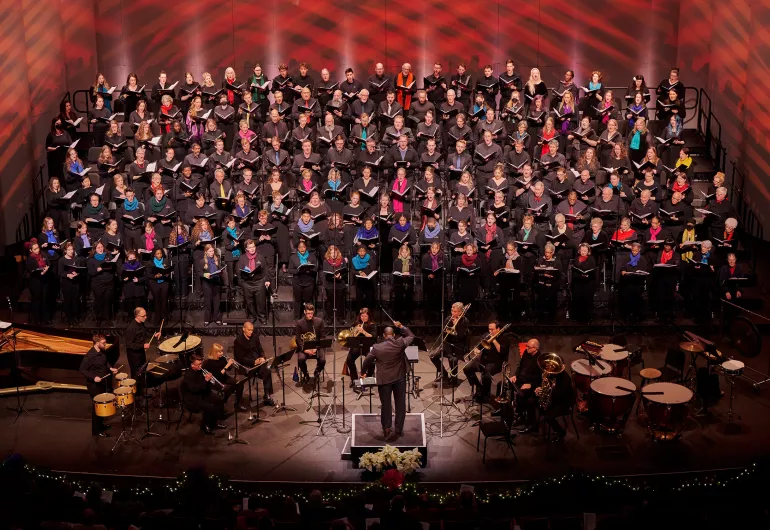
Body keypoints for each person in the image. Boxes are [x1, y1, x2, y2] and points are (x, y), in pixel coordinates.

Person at [361, 320, 415, 439]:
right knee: (400, 404)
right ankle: (399, 430)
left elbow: (367, 361)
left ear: (384, 336)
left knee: (386, 404)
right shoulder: (400, 343)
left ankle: (386, 429)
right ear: (393, 335)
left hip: (384, 380)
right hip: (399, 378)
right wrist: (401, 326)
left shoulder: (376, 347)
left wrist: (363, 373)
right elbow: (411, 336)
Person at [79, 334, 117, 437]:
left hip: (102, 383)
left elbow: (106, 362)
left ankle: (101, 425)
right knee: (97, 408)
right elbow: (82, 369)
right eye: (104, 343)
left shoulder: (102, 351)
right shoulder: (90, 356)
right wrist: (93, 377)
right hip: (93, 385)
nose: (105, 345)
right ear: (97, 343)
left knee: (101, 405)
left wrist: (110, 368)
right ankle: (96, 431)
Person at [463, 321, 509, 402]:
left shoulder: (504, 338)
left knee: (485, 375)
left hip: (496, 362)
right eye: (489, 329)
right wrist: (476, 350)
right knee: (467, 368)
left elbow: (502, 351)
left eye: (492, 329)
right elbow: (478, 346)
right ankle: (479, 387)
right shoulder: (486, 335)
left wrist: (494, 340)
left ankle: (485, 395)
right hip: (483, 359)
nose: (490, 331)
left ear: (498, 329)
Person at [181, 354, 226, 435]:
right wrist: (206, 380)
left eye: (201, 364)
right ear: (192, 364)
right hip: (194, 399)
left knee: (219, 399)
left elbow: (204, 386)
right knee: (210, 407)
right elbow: (195, 389)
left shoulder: (200, 370)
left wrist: (210, 380)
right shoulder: (188, 375)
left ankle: (215, 421)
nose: (200, 366)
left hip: (203, 393)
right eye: (198, 364)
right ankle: (205, 427)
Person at [233, 321, 274, 406]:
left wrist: (263, 357)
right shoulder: (238, 341)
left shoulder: (255, 337)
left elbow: (260, 349)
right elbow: (240, 358)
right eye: (249, 330)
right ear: (243, 329)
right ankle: (238, 402)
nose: (251, 332)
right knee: (240, 380)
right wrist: (253, 362)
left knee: (267, 371)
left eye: (252, 330)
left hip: (257, 363)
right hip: (246, 366)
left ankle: (267, 395)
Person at [508, 338, 543, 433]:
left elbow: (541, 377)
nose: (526, 348)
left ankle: (521, 416)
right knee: (507, 384)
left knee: (522, 394)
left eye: (528, 347)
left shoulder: (540, 359)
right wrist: (515, 375)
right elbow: (520, 366)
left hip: (532, 383)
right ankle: (511, 412)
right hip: (522, 379)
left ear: (535, 349)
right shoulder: (526, 353)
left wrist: (530, 385)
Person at [430, 302, 469, 383]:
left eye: (455, 311)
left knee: (453, 359)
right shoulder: (448, 319)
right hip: (448, 345)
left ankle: (453, 378)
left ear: (460, 312)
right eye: (452, 311)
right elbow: (443, 334)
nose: (452, 313)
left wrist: (456, 325)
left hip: (458, 346)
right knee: (433, 356)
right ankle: (444, 374)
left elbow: (460, 336)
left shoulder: (464, 321)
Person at [124, 307, 160, 393]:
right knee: (136, 374)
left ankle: (142, 390)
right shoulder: (131, 328)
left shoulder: (141, 323)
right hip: (134, 355)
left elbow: (144, 332)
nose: (146, 317)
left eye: (145, 315)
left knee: (143, 371)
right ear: (137, 316)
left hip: (140, 352)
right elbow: (129, 344)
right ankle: (137, 394)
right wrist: (142, 345)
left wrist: (154, 335)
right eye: (144, 316)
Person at [203, 343, 247, 411]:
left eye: (222, 351)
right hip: (216, 381)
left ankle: (237, 404)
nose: (221, 353)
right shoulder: (210, 362)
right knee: (229, 388)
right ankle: (224, 399)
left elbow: (228, 369)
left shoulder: (222, 358)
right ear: (214, 352)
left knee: (239, 383)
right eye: (219, 352)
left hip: (224, 377)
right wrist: (227, 366)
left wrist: (230, 364)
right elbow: (218, 375)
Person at [537, 367, 575, 443]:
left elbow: (559, 394)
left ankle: (560, 432)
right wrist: (539, 388)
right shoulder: (552, 375)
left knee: (548, 416)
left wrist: (546, 391)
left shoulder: (564, 378)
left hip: (564, 403)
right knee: (539, 406)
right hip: (556, 400)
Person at [294, 303, 326, 383]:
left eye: (311, 313)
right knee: (301, 359)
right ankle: (305, 373)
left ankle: (317, 371)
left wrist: (316, 348)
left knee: (323, 360)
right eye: (308, 313)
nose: (310, 315)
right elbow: (298, 339)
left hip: (317, 346)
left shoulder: (319, 321)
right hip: (305, 347)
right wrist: (305, 350)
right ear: (305, 312)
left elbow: (322, 337)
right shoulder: (299, 323)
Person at [288, 239, 318, 319]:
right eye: (300, 247)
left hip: (309, 282)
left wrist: (309, 269)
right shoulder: (293, 257)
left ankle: (310, 317)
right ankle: (297, 317)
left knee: (308, 301)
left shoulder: (312, 256)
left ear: (306, 248)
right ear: (297, 248)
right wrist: (298, 270)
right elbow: (290, 270)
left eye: (304, 247)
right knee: (297, 300)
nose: (302, 249)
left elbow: (316, 269)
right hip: (298, 282)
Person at [25, 239, 52, 325]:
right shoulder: (29, 259)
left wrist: (47, 269)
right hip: (35, 282)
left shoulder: (43, 254)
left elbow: (48, 263)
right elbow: (32, 271)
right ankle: (37, 319)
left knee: (45, 299)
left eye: (38, 248)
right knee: (37, 300)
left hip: (44, 280)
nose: (38, 250)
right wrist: (41, 273)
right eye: (35, 249)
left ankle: (46, 318)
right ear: (31, 250)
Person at [199, 243, 223, 325]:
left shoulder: (217, 259)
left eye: (213, 251)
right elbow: (199, 272)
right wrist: (204, 275)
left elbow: (220, 269)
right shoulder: (202, 261)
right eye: (210, 251)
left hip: (216, 282)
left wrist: (220, 271)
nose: (212, 253)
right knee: (208, 302)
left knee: (217, 301)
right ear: (206, 252)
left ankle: (217, 318)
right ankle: (207, 319)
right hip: (207, 284)